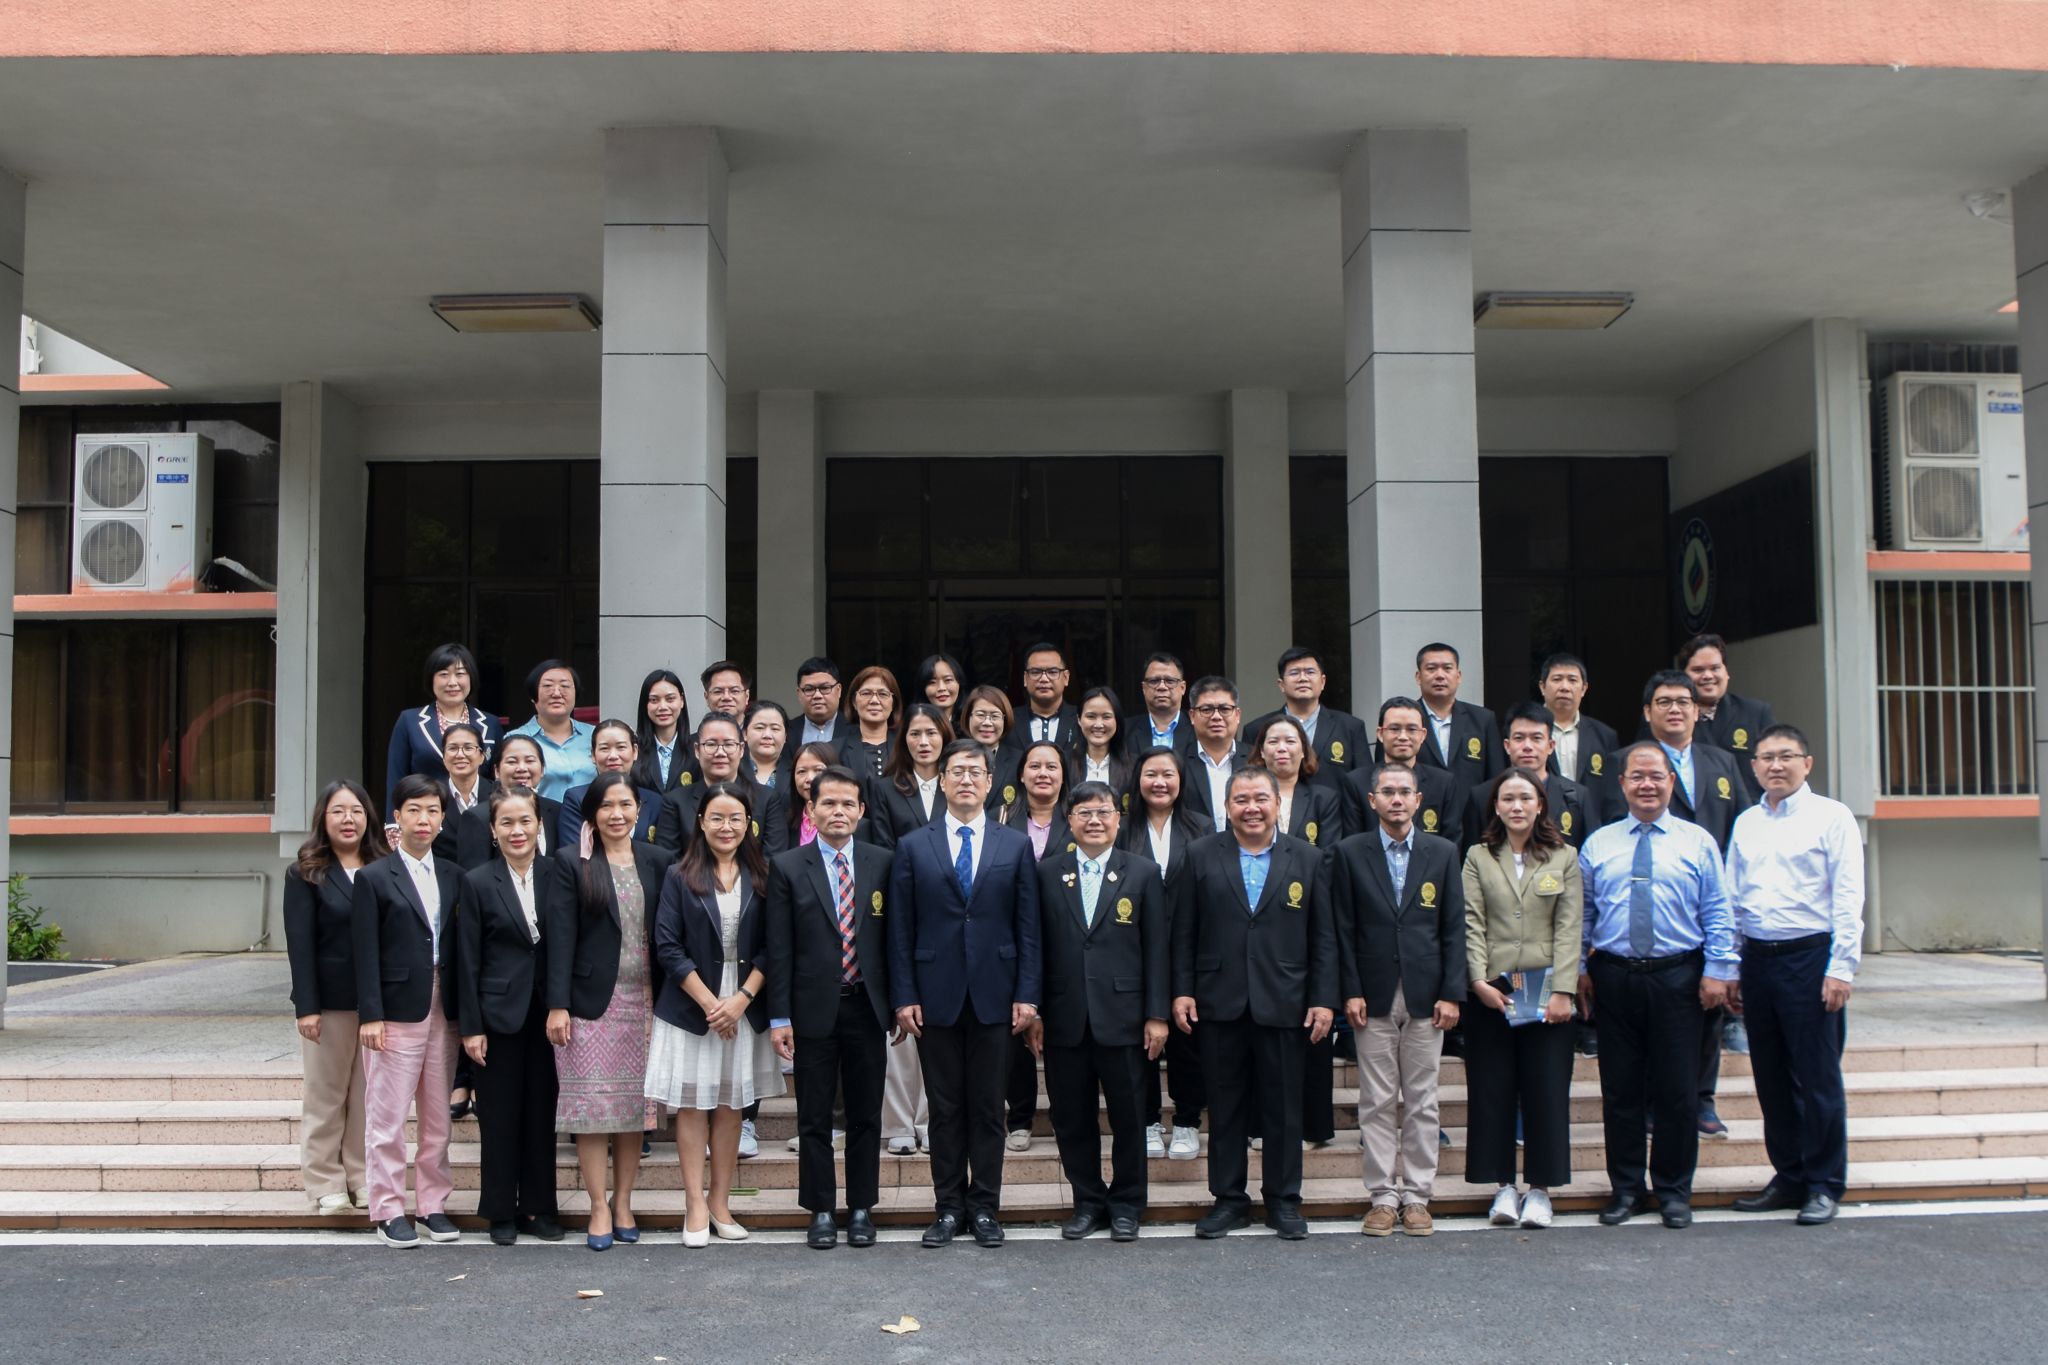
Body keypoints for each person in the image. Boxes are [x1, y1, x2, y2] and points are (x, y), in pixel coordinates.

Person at [887, 737, 1044, 1249]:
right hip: (935, 996)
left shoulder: (1013, 845)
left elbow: (1028, 927)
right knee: (945, 1108)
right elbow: (901, 929)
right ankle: (949, 1208)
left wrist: (1028, 994)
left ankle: (985, 1208)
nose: (966, 780)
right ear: (943, 779)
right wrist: (904, 995)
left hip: (997, 996)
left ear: (990, 781)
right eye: (957, 771)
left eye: (976, 772)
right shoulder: (914, 845)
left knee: (988, 1107)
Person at [1171, 767, 1336, 1240]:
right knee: (1225, 1107)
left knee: (1284, 1108)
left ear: (1277, 804)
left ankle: (1283, 1200)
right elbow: (1183, 930)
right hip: (1218, 1001)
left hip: (1285, 1001)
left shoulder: (1308, 858)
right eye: (1241, 800)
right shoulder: (1200, 855)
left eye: (1260, 798)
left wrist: (1323, 999)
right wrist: (1182, 990)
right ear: (1227, 807)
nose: (1252, 808)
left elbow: (1324, 938)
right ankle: (1228, 1200)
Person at [1578, 743, 1737, 1230]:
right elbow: (1583, 914)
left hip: (1679, 977)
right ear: (1622, 783)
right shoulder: (1598, 844)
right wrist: (1579, 970)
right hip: (1615, 977)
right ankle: (1626, 1189)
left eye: (1656, 776)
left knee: (1677, 1091)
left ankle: (1673, 1190)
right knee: (1620, 1091)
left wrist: (1719, 970)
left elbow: (1718, 911)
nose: (1647, 785)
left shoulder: (1698, 841)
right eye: (1637, 776)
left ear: (1671, 782)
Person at [1600, 670, 1754, 1136]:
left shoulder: (1721, 760)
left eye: (1683, 702)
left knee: (1705, 1015)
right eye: (1664, 702)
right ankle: (1650, 1103)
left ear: (1697, 710)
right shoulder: (1621, 763)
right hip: (1639, 903)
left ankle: (1702, 1100)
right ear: (1647, 712)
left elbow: (1742, 828)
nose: (1675, 709)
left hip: (1702, 898)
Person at [1725, 724, 1865, 1227]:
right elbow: (1733, 897)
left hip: (1811, 958)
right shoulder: (1747, 822)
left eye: (1786, 756)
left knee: (1817, 1076)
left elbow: (1848, 895)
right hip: (1758, 960)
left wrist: (1841, 968)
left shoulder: (1832, 816)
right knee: (1771, 1076)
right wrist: (1732, 966)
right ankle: (1789, 1176)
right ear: (1754, 767)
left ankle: (1824, 1183)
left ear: (1807, 763)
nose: (1776, 766)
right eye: (1766, 758)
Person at [1029, 782, 1168, 1242]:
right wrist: (1036, 1011)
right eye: (1084, 813)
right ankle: (1087, 1201)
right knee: (1072, 1118)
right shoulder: (1047, 873)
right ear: (1069, 821)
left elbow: (1157, 948)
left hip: (1126, 1017)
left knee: (1130, 1116)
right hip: (1064, 1016)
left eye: (1103, 812)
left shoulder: (1143, 872)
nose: (1094, 820)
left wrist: (1157, 1014)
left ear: (1118, 819)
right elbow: (1036, 947)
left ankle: (1127, 1204)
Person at [765, 766, 897, 1249]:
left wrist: (900, 1004)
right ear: (811, 810)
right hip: (812, 1010)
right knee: (814, 1116)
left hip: (867, 1006)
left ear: (861, 811)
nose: (838, 812)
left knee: (865, 1115)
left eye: (847, 804)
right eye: (828, 803)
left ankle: (861, 1207)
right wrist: (780, 1017)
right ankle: (820, 1209)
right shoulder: (787, 866)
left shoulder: (883, 862)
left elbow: (895, 939)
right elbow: (779, 947)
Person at [648, 783, 785, 1246]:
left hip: (745, 1002)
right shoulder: (678, 875)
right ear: (701, 822)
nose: (727, 827)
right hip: (693, 1006)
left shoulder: (764, 875)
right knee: (692, 1105)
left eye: (735, 818)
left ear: (749, 824)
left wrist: (741, 999)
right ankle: (694, 1204)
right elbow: (667, 945)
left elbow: (775, 944)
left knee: (731, 1105)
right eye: (717, 818)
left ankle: (720, 1202)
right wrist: (711, 1004)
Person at [1333, 763, 1465, 1237]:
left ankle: (1418, 1195)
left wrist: (1452, 992)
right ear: (1372, 801)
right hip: (1372, 993)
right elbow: (1342, 928)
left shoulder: (1442, 852)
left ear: (1418, 800)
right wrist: (1349, 989)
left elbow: (1453, 926)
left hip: (1428, 993)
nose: (1396, 799)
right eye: (1386, 791)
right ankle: (1383, 1196)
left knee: (1423, 1099)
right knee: (1376, 1099)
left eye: (1404, 792)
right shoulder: (1350, 852)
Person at [548, 773, 668, 1251]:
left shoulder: (658, 860)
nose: (616, 814)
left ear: (639, 810)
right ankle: (598, 1205)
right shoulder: (571, 862)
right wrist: (557, 1005)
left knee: (633, 1110)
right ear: (592, 814)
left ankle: (623, 1202)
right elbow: (560, 937)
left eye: (625, 805)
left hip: (646, 1002)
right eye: (606, 806)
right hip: (589, 1004)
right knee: (594, 1109)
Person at [1460, 767, 1582, 1231]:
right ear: (1495, 806)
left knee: (1545, 1089)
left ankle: (1541, 1190)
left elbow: (1569, 926)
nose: (1516, 806)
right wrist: (1477, 981)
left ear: (1540, 805)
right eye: (1508, 798)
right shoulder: (1478, 856)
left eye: (1525, 798)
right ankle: (1503, 1187)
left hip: (1547, 989)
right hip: (1495, 989)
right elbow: (1470, 920)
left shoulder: (1563, 856)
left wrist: (1564, 990)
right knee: (1492, 1089)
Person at [351, 774, 464, 1248]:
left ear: (442, 819)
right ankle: (389, 1208)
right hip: (395, 1008)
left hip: (443, 1004)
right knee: (388, 1117)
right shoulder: (374, 877)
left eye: (433, 810)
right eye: (414, 810)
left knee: (438, 1116)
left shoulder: (454, 875)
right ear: (396, 817)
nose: (424, 819)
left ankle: (432, 1204)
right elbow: (364, 951)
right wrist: (370, 1014)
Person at [455, 785, 569, 1245]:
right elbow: (467, 959)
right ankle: (500, 1210)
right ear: (493, 829)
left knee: (541, 1115)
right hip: (497, 1014)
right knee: (499, 1116)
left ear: (539, 825)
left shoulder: (558, 873)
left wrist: (562, 1004)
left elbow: (566, 944)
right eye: (507, 822)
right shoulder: (478, 881)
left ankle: (539, 1208)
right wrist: (471, 1027)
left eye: (525, 821)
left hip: (548, 1015)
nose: (517, 830)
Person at [285, 779, 388, 1216]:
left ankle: (361, 1177)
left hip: (377, 1004)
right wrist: (306, 1007)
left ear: (369, 818)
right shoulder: (306, 872)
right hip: (329, 1004)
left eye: (357, 811)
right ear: (322, 819)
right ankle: (325, 1182)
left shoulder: (384, 866)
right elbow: (300, 944)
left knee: (367, 1097)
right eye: (338, 811)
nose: (349, 820)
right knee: (326, 1095)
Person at [1118, 747, 1209, 1162]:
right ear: (1137, 780)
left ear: (1181, 780)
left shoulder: (1201, 827)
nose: (1159, 782)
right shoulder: (1123, 828)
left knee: (1187, 1037)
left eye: (1168, 774)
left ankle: (1187, 1121)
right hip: (1133, 952)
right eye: (1151, 774)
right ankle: (1148, 1121)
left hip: (1188, 949)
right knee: (1141, 1042)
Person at [1000, 739, 1070, 1148]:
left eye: (1052, 766)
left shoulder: (1076, 819)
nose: (1043, 773)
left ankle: (1065, 1115)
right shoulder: (1002, 820)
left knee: (1061, 1030)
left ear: (1063, 775)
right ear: (1021, 775)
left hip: (1066, 939)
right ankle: (1020, 1119)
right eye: (1035, 766)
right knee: (1018, 1026)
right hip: (1015, 937)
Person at [656, 712, 791, 862]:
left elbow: (773, 861)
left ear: (741, 749)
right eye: (711, 744)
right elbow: (668, 861)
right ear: (697, 750)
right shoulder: (675, 802)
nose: (720, 753)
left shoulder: (767, 799)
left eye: (728, 744)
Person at [383, 642, 500, 814]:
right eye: (444, 674)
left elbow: (498, 778)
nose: (452, 682)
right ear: (431, 679)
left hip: (480, 818)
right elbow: (396, 776)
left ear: (471, 678)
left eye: (460, 674)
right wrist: (394, 824)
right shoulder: (409, 721)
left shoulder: (490, 723)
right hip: (426, 819)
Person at [1462, 702, 1594, 853]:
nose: (1527, 746)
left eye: (1536, 738)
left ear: (1551, 746)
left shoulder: (1578, 797)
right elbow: (1470, 856)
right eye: (1519, 738)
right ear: (1507, 746)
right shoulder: (1481, 796)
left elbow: (1590, 855)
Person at [1342, 697, 1462, 845]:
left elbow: (1451, 845)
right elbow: (1352, 846)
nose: (1403, 737)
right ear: (1380, 734)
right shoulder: (1356, 782)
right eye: (1394, 729)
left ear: (1423, 735)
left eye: (1412, 729)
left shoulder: (1443, 783)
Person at [1249, 646, 1369, 793]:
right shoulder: (1257, 729)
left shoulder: (1351, 727)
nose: (1303, 678)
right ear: (1281, 685)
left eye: (1310, 672)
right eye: (1294, 673)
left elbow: (1364, 783)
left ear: (1323, 682)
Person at [1676, 634, 1777, 800]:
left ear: (1726, 672)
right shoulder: (1669, 717)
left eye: (1715, 668)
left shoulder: (1756, 712)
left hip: (1748, 810)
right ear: (1682, 676)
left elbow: (1776, 766)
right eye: (1698, 670)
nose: (1708, 676)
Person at [450, 733, 560, 869]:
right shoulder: (478, 817)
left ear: (542, 769)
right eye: (512, 762)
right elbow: (473, 875)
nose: (522, 768)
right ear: (497, 770)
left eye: (529, 761)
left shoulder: (556, 811)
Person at [558, 718, 667, 852]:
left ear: (635, 752)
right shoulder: (577, 798)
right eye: (604, 748)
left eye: (621, 747)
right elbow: (572, 853)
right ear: (593, 755)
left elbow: (662, 854)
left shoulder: (654, 801)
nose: (613, 756)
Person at [1414, 642, 1503, 800]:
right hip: (1420, 811)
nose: (1440, 675)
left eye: (1447, 668)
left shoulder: (1483, 720)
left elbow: (1496, 778)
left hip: (1470, 812)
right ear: (1418, 677)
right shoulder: (1403, 721)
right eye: (1431, 669)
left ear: (1458, 676)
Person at [1247, 712, 1343, 850]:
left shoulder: (1323, 799)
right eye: (1273, 742)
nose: (1281, 748)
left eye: (1290, 741)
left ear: (1303, 750)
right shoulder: (1245, 798)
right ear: (1262, 751)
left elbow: (1329, 854)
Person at [509, 659, 595, 801]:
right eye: (548, 686)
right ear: (533, 695)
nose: (556, 693)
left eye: (565, 686)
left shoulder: (594, 735)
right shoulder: (515, 740)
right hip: (540, 814)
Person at [870, 703, 953, 850]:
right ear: (904, 739)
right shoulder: (885, 789)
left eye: (931, 733)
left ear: (944, 736)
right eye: (915, 734)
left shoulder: (958, 786)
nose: (923, 742)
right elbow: (884, 849)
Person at [1538, 652, 1617, 788]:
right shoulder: (1525, 732)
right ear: (1542, 687)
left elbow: (1612, 788)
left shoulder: (1604, 736)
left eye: (1572, 680)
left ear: (1584, 689)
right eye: (1557, 679)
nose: (1564, 687)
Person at [1179, 675, 1247, 832]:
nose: (1216, 717)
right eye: (1206, 710)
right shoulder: (1177, 763)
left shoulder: (1256, 759)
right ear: (1192, 716)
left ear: (1237, 715)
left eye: (1225, 709)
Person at [628, 668, 692, 795]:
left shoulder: (696, 749)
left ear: (682, 701)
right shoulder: (633, 749)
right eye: (654, 700)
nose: (662, 707)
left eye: (670, 699)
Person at [1009, 643, 1080, 757]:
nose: (1044, 679)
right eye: (1035, 672)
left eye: (1052, 672)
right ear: (1025, 678)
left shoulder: (1082, 720)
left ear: (1066, 677)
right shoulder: (1009, 720)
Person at [961, 686, 1023, 814]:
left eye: (995, 716)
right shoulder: (953, 757)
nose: (987, 723)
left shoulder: (1020, 760)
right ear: (968, 717)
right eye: (980, 715)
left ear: (1005, 720)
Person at [1125, 652, 1196, 759]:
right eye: (1154, 681)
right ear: (1144, 688)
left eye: (1170, 681)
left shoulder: (1198, 729)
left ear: (1183, 688)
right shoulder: (1125, 731)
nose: (1162, 687)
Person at [838, 665, 902, 780]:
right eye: (866, 693)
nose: (874, 701)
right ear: (854, 702)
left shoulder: (906, 745)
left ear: (893, 703)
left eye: (883, 694)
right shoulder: (836, 749)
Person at [1069, 686, 1132, 796]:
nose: (1098, 724)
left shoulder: (1134, 765)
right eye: (1091, 716)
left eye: (1106, 717)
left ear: (1117, 720)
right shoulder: (1064, 763)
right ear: (1079, 719)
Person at [787, 741, 842, 848]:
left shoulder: (851, 823)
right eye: (802, 771)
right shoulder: (785, 823)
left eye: (818, 770)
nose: (810, 779)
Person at [793, 657, 850, 750]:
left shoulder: (857, 731)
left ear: (839, 690)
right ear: (799, 694)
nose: (817, 695)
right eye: (809, 689)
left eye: (825, 688)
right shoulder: (785, 731)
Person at [741, 700, 790, 789]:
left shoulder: (796, 772)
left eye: (775, 729)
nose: (767, 735)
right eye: (759, 728)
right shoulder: (732, 769)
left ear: (785, 736)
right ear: (745, 734)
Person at [916, 652, 967, 729]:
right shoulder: (914, 725)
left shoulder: (969, 725)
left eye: (948, 680)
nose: (941, 688)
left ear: (959, 683)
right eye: (932, 682)